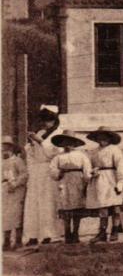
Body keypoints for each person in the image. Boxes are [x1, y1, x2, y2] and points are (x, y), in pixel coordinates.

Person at [23, 105, 63, 246]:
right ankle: (33, 235)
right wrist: (31, 145)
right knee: (33, 203)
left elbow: (56, 153)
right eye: (44, 120)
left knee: (47, 203)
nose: (46, 123)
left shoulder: (59, 134)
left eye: (50, 120)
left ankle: (49, 234)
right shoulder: (40, 132)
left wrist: (40, 142)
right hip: (36, 171)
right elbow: (31, 155)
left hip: (48, 170)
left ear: (55, 121)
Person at [49, 131, 92, 244]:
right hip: (64, 181)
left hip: (78, 181)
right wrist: (59, 173)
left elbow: (87, 169)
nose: (67, 145)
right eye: (65, 142)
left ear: (74, 144)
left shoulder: (81, 156)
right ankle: (67, 232)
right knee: (66, 207)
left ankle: (76, 232)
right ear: (62, 144)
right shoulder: (58, 157)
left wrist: (87, 180)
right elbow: (52, 170)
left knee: (77, 208)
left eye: (70, 142)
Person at [86, 127, 123, 243]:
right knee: (102, 206)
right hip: (100, 180)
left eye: (105, 137)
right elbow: (90, 165)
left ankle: (114, 230)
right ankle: (102, 232)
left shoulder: (114, 150)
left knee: (115, 206)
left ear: (110, 138)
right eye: (100, 137)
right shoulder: (94, 151)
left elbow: (120, 165)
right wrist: (93, 171)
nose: (102, 140)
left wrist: (120, 182)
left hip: (112, 178)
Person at [3, 136, 28, 250]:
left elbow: (24, 175)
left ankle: (18, 240)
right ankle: (6, 240)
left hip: (16, 189)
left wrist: (15, 184)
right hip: (4, 189)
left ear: (12, 148)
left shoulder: (17, 160)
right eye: (2, 147)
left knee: (17, 214)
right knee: (5, 215)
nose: (4, 149)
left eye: (7, 146)